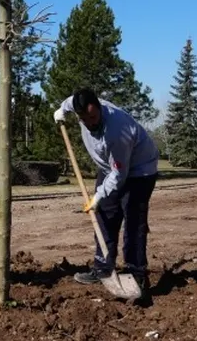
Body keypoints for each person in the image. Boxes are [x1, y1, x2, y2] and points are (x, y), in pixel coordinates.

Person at [54, 87, 159, 294]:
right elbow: (69, 102)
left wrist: (99, 195)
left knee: (133, 220)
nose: (89, 123)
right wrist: (61, 111)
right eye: (84, 119)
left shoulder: (117, 131)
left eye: (93, 117)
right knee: (104, 215)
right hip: (109, 169)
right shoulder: (80, 107)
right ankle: (103, 268)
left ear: (100, 108)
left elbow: (119, 174)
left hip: (139, 170)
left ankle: (136, 271)